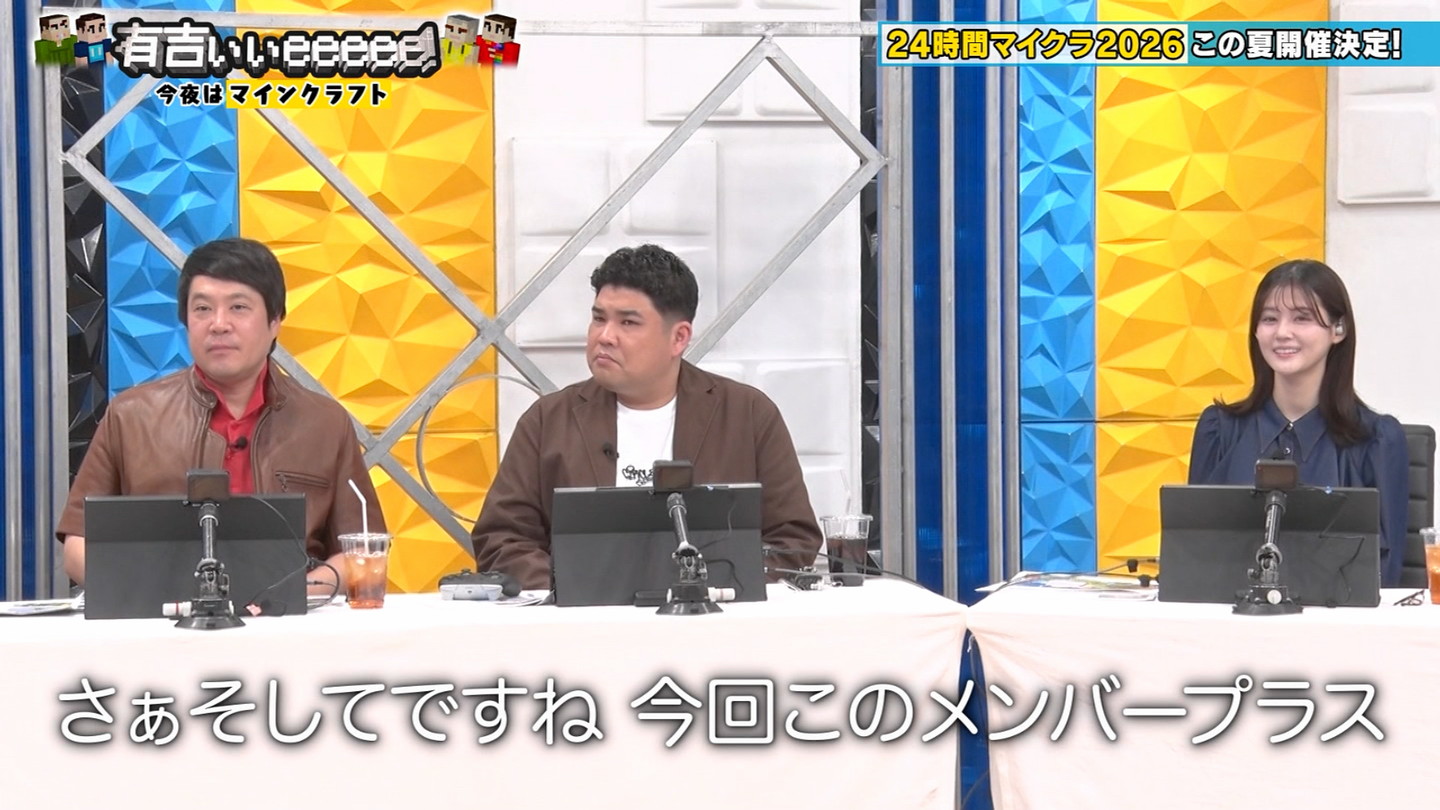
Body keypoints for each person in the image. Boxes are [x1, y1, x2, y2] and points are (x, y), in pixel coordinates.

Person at [471, 244, 823, 589]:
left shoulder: (747, 415)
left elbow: (792, 539)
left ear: (678, 338)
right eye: (598, 318)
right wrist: (574, 589)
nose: (604, 336)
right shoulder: (548, 421)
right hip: (585, 622)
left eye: (628, 322)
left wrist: (712, 587)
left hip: (711, 619)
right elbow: (502, 539)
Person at [56, 238, 386, 594]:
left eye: (238, 307)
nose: (218, 324)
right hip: (167, 619)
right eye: (202, 309)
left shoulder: (325, 423)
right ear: (185, 321)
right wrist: (158, 597)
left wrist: (290, 595)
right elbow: (78, 547)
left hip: (289, 621)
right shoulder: (131, 416)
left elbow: (363, 551)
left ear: (275, 321)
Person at [1188, 259, 1409, 586]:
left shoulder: (1376, 440)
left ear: (1338, 329)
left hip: (1339, 617)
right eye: (1269, 318)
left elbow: (1385, 575)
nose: (1282, 333)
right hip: (1231, 615)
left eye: (1301, 318)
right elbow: (1191, 554)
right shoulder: (1219, 430)